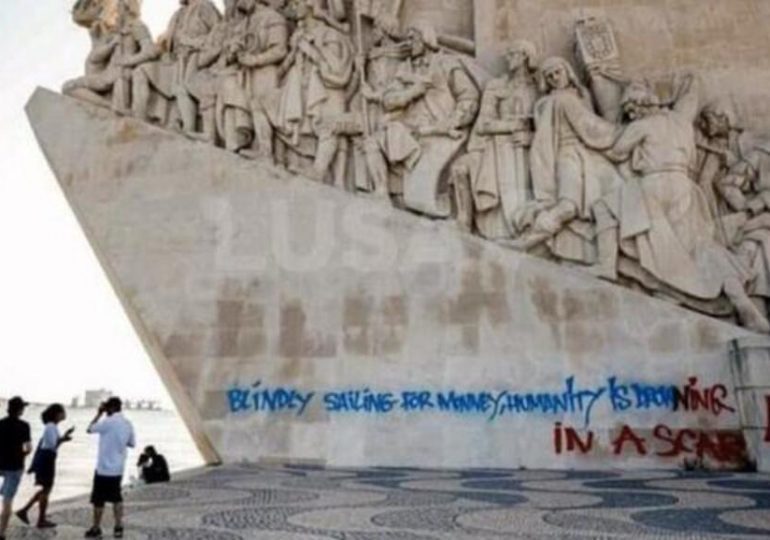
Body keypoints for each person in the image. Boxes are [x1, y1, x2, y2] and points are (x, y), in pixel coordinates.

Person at [16, 404, 74, 529]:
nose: (64, 414)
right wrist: (63, 439)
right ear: (57, 414)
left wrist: (63, 438)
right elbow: (52, 445)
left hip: (47, 459)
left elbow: (51, 445)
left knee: (46, 490)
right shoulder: (51, 427)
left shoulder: (51, 427)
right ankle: (40, 519)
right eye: (63, 412)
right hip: (47, 460)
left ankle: (25, 511)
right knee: (46, 490)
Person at [84, 397, 136, 539]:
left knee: (98, 500)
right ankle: (118, 526)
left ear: (112, 408)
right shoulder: (127, 424)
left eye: (107, 407)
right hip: (118, 469)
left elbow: (89, 429)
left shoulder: (107, 422)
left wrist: (99, 414)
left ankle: (96, 528)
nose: (105, 410)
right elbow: (132, 443)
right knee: (116, 498)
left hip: (103, 469)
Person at [0, 397, 32, 540]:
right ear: (20, 410)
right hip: (15, 466)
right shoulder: (24, 426)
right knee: (7, 501)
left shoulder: (0, 423)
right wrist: (22, 455)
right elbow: (29, 448)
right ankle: (1, 533)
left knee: (5, 494)